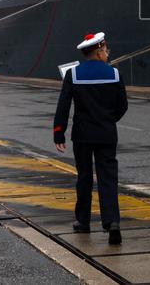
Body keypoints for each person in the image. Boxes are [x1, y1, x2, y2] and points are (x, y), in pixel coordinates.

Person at [53, 32, 128, 246]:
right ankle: (112, 222)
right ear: (99, 49)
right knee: (108, 178)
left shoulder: (73, 74)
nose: (107, 53)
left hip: (82, 136)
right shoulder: (114, 73)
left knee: (84, 177)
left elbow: (63, 105)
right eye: (106, 50)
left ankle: (83, 221)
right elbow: (122, 105)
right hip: (106, 134)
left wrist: (59, 132)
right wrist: (108, 120)